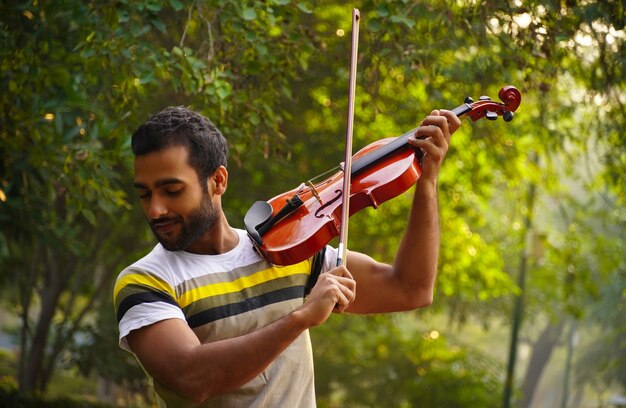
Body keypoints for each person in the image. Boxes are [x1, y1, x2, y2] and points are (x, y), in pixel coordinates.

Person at [114, 105, 461, 407]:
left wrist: (427, 182)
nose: (156, 209)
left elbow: (410, 288)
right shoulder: (145, 281)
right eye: (145, 194)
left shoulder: (286, 247)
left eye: (172, 191)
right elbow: (192, 379)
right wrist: (301, 317)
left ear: (217, 181)